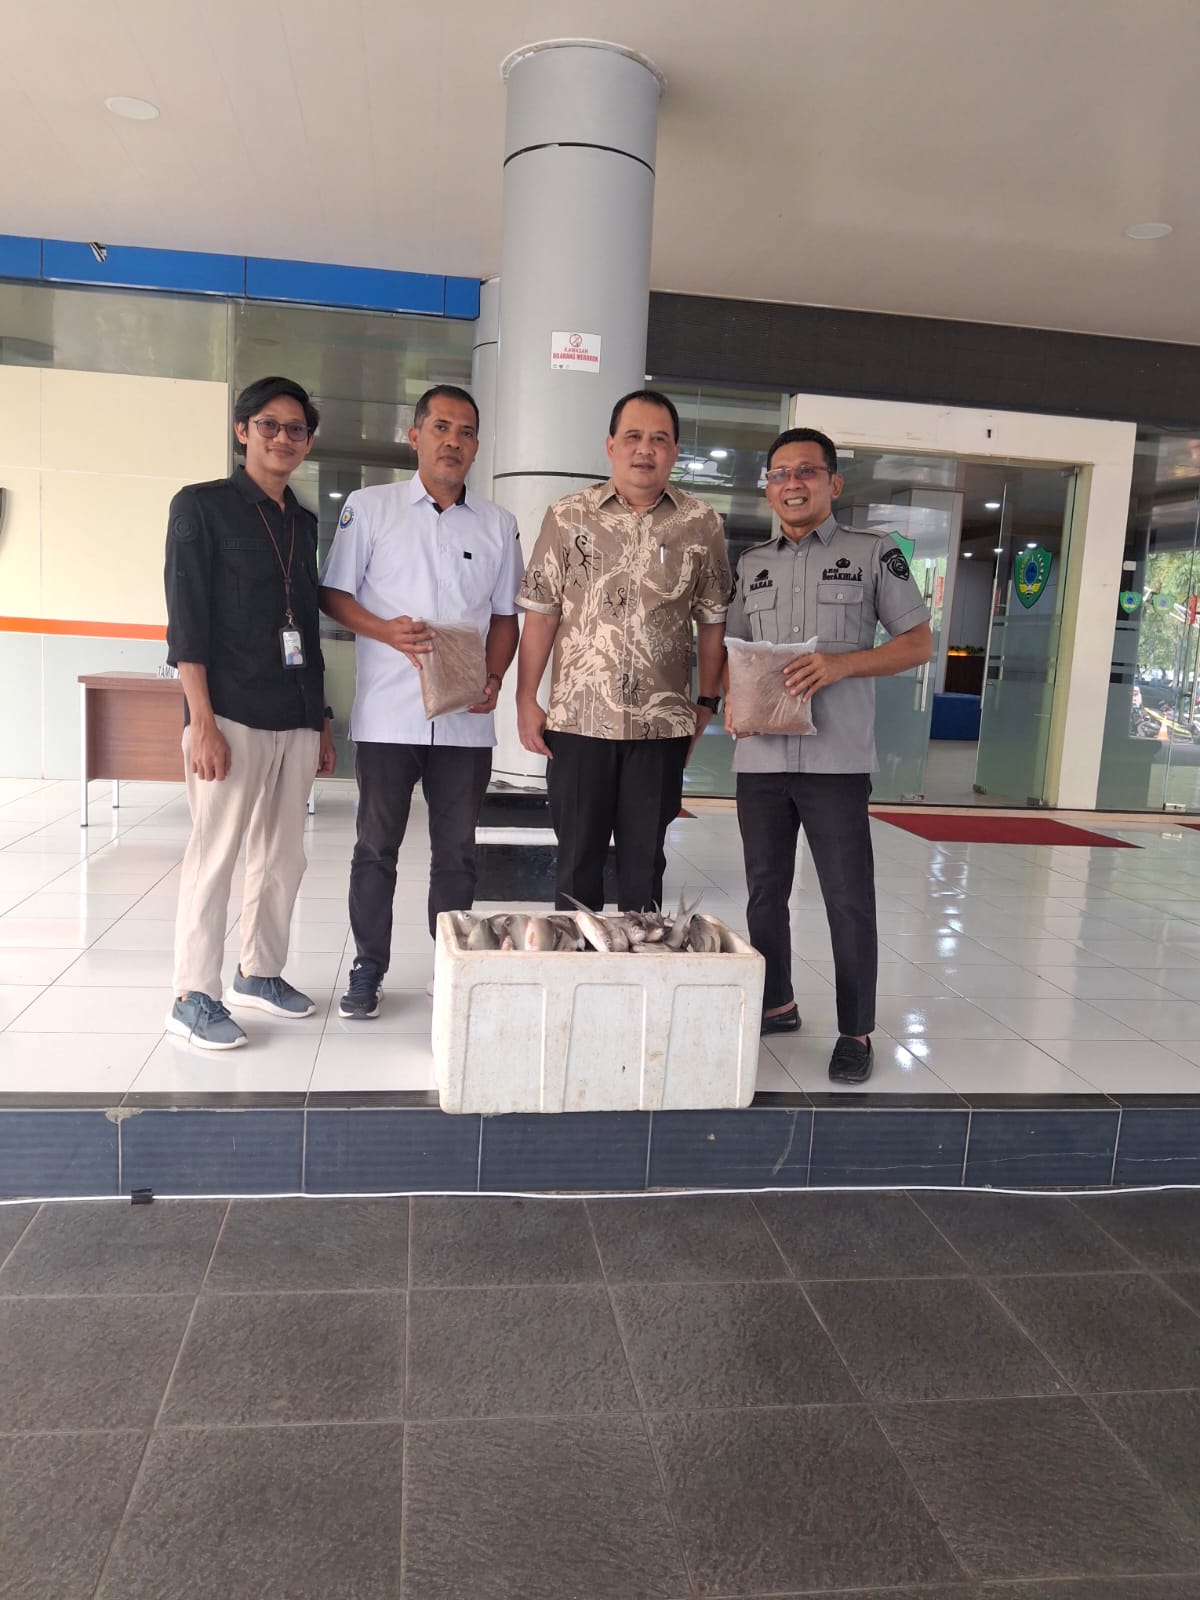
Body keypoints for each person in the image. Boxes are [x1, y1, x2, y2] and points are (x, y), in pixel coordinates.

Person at [725, 426, 933, 1084]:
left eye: (807, 472)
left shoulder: (873, 553)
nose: (792, 483)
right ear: (768, 488)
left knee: (847, 899)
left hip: (836, 762)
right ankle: (777, 1003)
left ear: (833, 483)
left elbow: (917, 643)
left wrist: (841, 665)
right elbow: (736, 651)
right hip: (762, 759)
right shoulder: (751, 564)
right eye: (780, 473)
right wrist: (730, 700)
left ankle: (856, 1031)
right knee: (764, 895)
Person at [319, 385, 523, 1020]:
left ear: (477, 446)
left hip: (465, 722)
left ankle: (450, 968)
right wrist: (385, 630)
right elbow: (334, 594)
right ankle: (367, 968)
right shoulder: (370, 508)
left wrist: (494, 678)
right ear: (415, 437)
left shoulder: (498, 524)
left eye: (466, 431)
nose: (453, 441)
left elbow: (506, 617)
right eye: (441, 427)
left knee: (456, 852)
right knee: (375, 847)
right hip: (389, 714)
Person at [164, 376, 336, 1050]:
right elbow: (187, 622)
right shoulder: (201, 506)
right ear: (243, 432)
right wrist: (201, 722)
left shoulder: (303, 521)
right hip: (229, 712)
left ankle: (258, 973)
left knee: (283, 857)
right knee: (215, 855)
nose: (283, 438)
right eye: (270, 424)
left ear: (308, 441)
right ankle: (191, 995)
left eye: (296, 429)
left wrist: (322, 719)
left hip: (294, 712)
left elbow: (308, 630)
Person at [516, 389, 731, 912]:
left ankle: (641, 962)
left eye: (659, 439)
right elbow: (542, 613)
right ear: (611, 445)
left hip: (660, 728)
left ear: (674, 451)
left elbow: (712, 620)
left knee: (645, 866)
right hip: (578, 723)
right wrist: (525, 699)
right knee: (576, 866)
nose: (645, 449)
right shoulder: (568, 517)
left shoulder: (701, 523)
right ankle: (577, 959)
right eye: (633, 436)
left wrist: (707, 701)